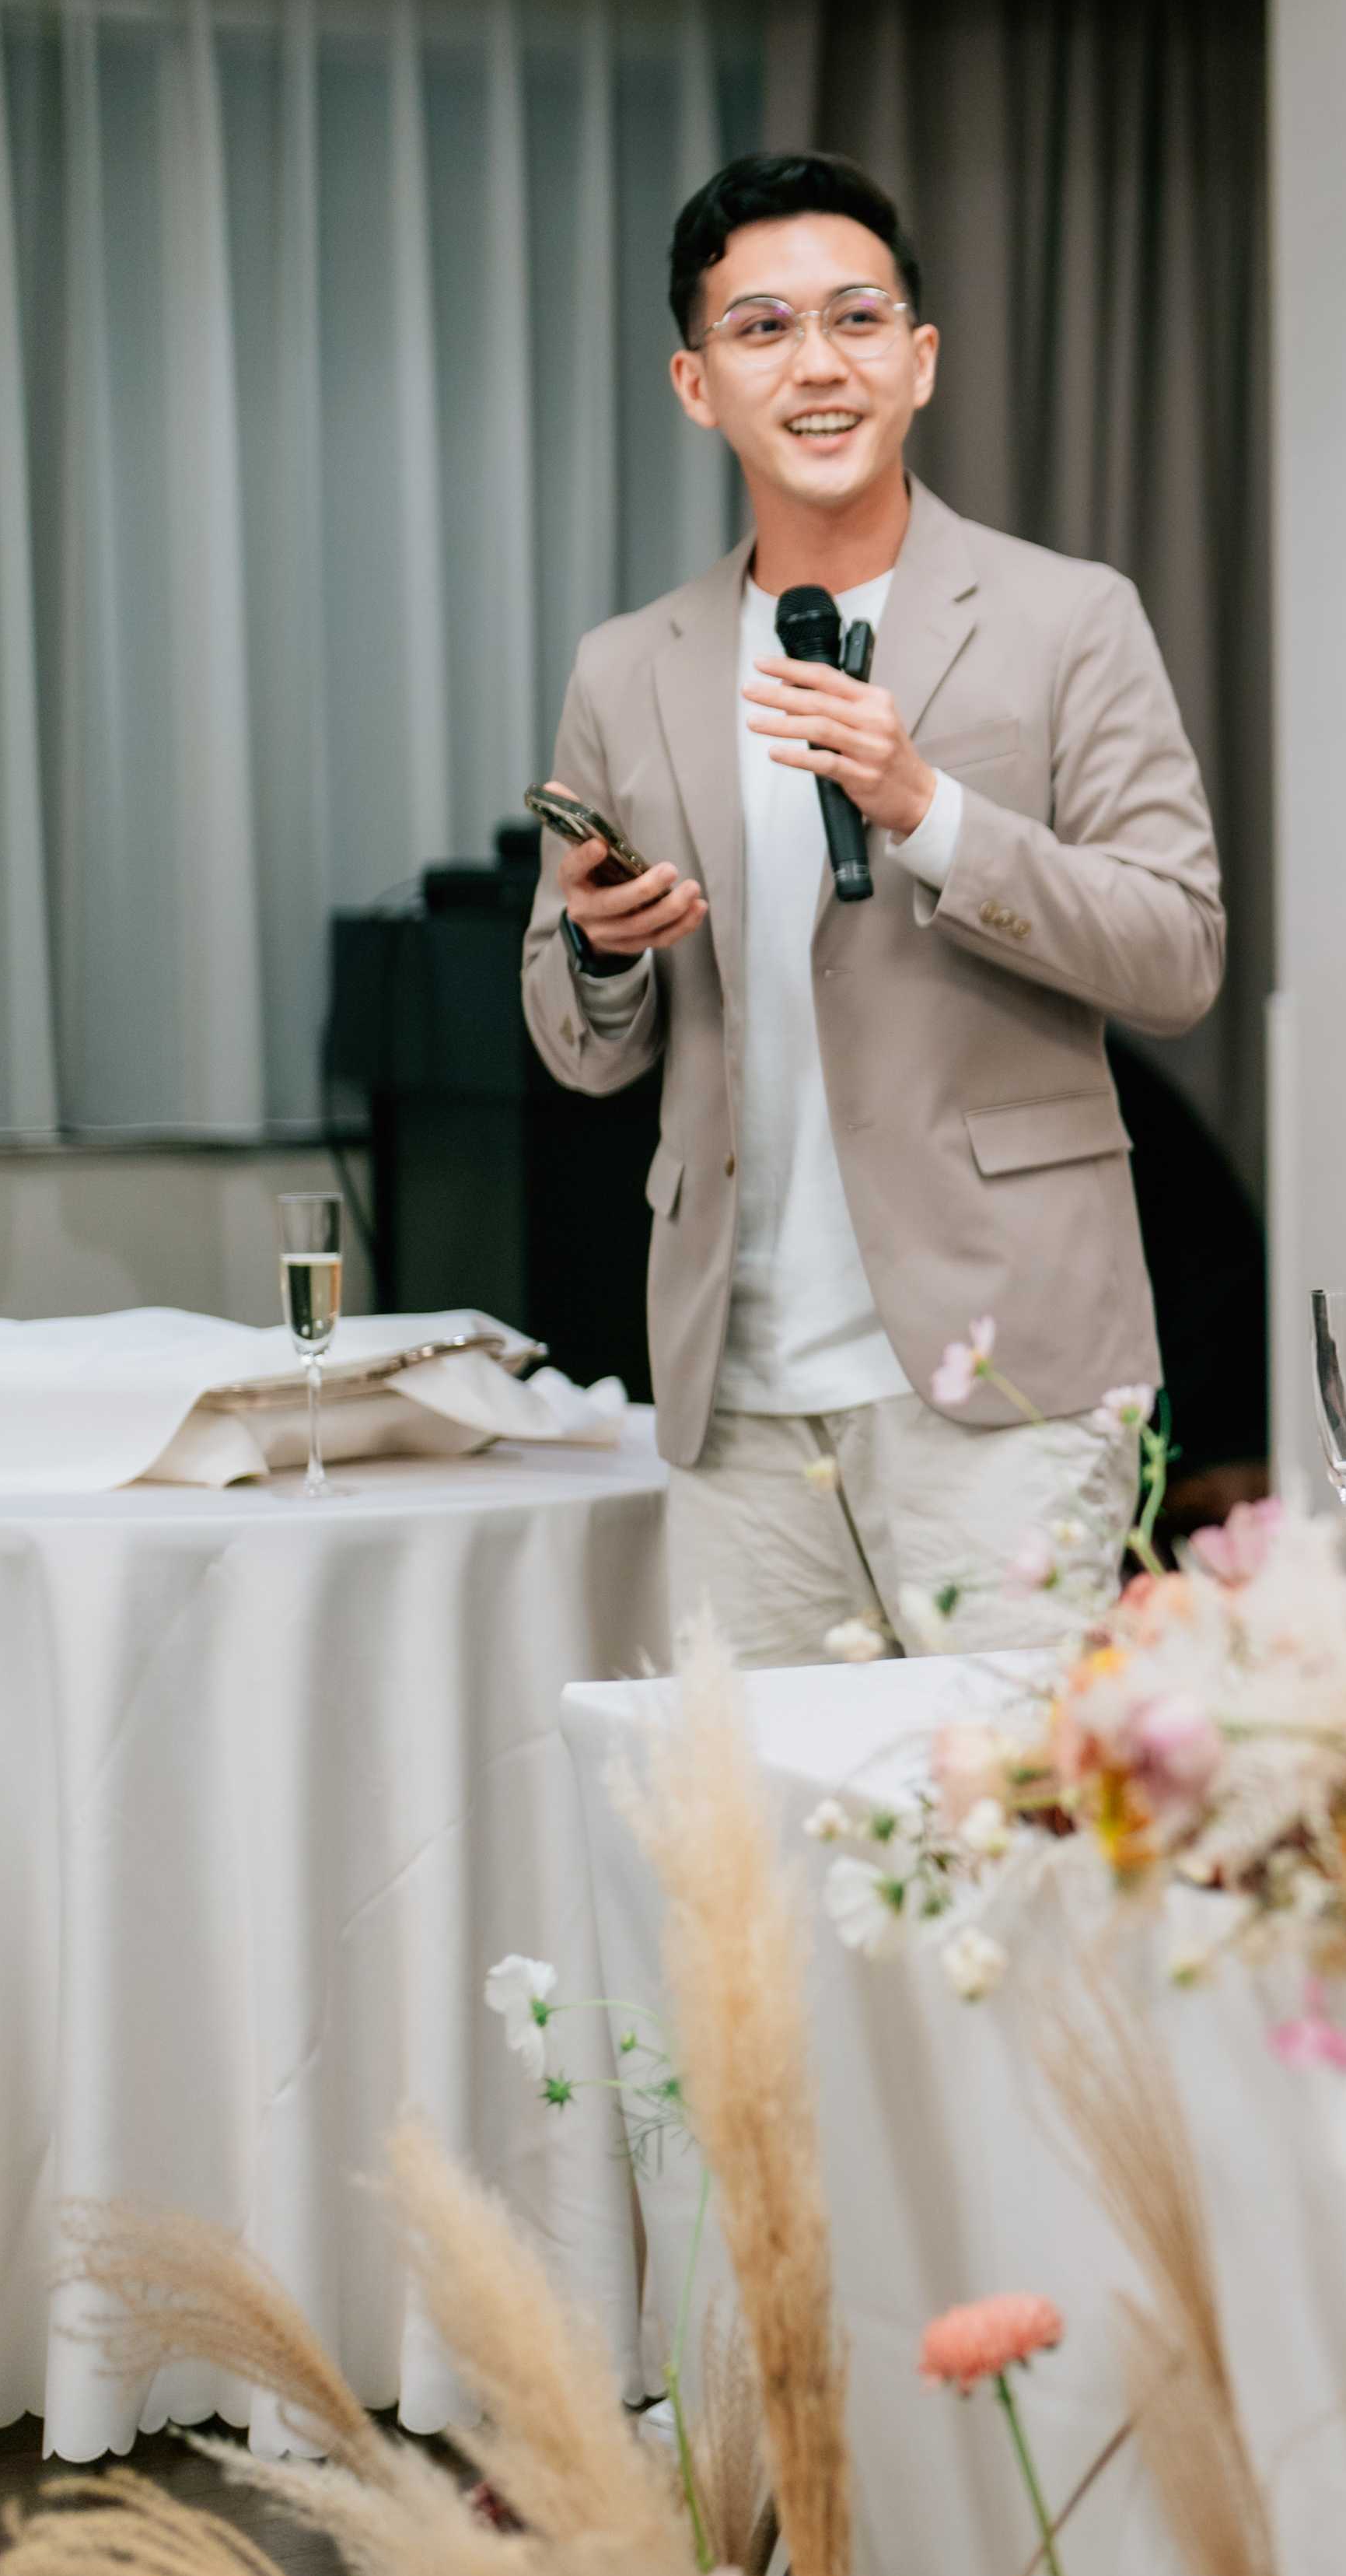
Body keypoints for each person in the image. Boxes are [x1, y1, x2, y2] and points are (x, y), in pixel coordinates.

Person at [521, 152, 1222, 1667]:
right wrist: (597, 943)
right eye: (762, 328)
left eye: (856, 318)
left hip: (1006, 1369)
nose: (817, 363)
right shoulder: (627, 666)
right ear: (696, 384)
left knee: (1003, 1801)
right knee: (756, 1813)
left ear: (921, 360)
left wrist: (929, 812)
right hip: (737, 1383)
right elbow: (581, 1048)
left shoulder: (1066, 618)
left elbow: (1178, 948)